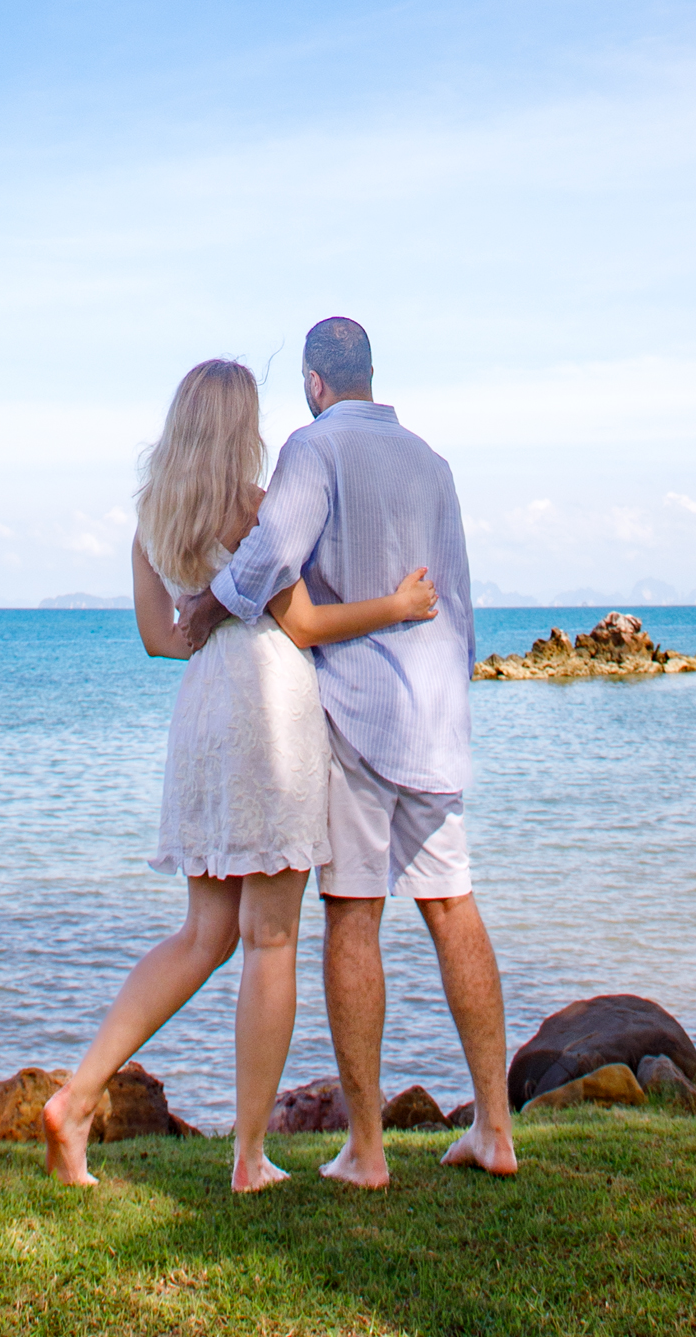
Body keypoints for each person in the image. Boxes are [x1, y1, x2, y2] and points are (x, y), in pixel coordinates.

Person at [42, 357, 438, 1192]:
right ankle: (249, 1157)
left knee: (201, 935)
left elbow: (162, 637)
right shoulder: (256, 509)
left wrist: (210, 627)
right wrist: (396, 609)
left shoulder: (152, 516)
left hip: (204, 716)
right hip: (268, 712)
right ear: (240, 426)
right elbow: (305, 624)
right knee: (271, 938)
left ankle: (77, 1098)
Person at [178, 314, 517, 1183]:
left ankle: (367, 1149)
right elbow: (461, 600)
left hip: (362, 715)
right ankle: (496, 1130)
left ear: (316, 383)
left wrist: (208, 605)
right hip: (436, 718)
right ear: (369, 373)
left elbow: (268, 558)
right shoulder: (433, 464)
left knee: (354, 918)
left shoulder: (315, 448)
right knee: (453, 908)